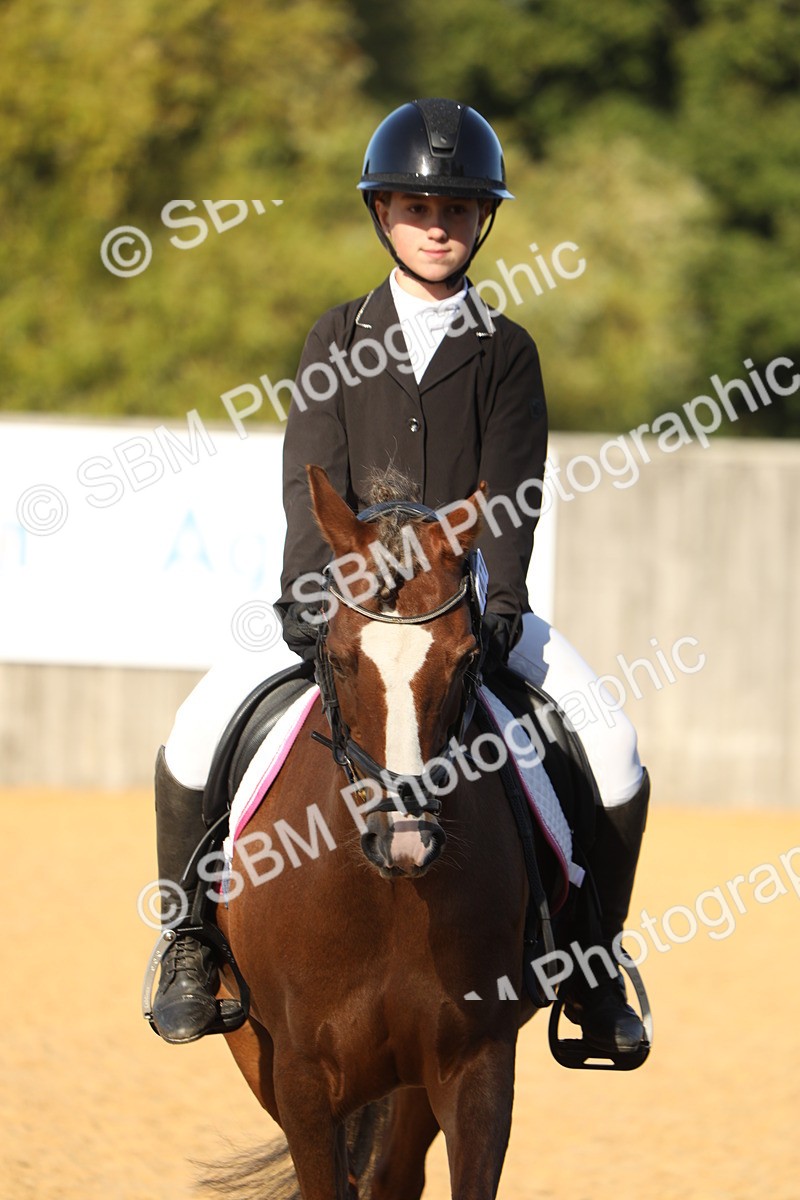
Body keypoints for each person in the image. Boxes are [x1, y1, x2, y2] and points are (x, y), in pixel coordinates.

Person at [150, 98, 650, 1059]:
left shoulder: (508, 351)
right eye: (418, 207)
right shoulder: (335, 336)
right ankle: (187, 943)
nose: (437, 225)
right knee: (194, 734)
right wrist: (307, 591)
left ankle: (591, 968)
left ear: (482, 222)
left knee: (615, 749)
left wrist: (500, 605)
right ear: (382, 213)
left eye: (458, 210)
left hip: (465, 613)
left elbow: (513, 491)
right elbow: (312, 476)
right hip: (345, 608)